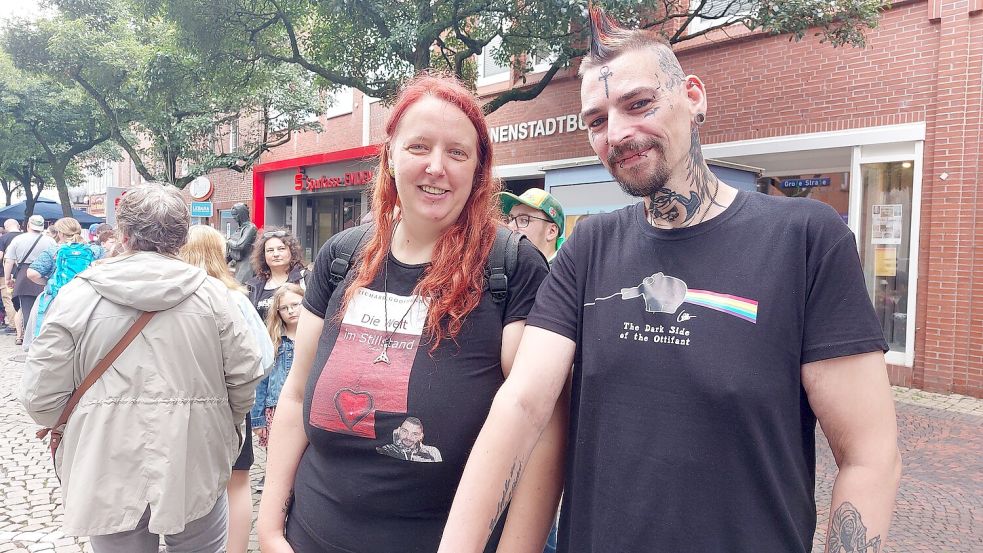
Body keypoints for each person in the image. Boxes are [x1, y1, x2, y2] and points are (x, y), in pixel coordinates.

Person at [438, 8, 902, 553]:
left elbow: (870, 454)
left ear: (694, 96)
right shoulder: (589, 248)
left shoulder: (803, 239)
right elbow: (521, 405)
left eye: (639, 104)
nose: (617, 133)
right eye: (595, 120)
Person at [256, 73, 555, 553]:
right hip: (310, 534)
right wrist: (269, 530)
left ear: (479, 170)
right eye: (419, 147)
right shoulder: (342, 257)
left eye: (457, 153)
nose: (436, 166)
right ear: (391, 156)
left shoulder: (512, 266)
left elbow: (539, 428)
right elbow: (295, 396)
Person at [19, 184, 265, 553]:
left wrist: (68, 419)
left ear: (124, 233)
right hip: (196, 449)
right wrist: (223, 424)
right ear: (182, 236)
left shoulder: (77, 295)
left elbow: (40, 396)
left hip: (105, 452)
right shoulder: (215, 295)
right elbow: (245, 376)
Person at [180, 224, 275, 553]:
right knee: (236, 483)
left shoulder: (167, 296)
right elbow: (262, 356)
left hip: (175, 407)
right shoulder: (232, 296)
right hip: (229, 407)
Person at [24, 217, 103, 348]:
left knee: (55, 340)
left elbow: (32, 273)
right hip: (89, 299)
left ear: (60, 233)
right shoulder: (96, 250)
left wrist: (47, 281)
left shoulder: (54, 251)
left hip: (58, 299)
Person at [251, 283, 304, 450]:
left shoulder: (316, 337)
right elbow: (262, 381)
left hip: (306, 407)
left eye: (295, 305)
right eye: (284, 308)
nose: (290, 311)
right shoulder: (273, 340)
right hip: (277, 408)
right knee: (278, 454)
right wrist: (257, 418)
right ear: (278, 312)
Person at [3, 215, 56, 345]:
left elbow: (9, 261)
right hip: (45, 275)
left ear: (27, 225)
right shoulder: (50, 241)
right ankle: (45, 340)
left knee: (27, 310)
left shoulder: (18, 240)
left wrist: (7, 278)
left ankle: (31, 342)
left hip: (24, 276)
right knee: (47, 309)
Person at [246, 228, 307, 322]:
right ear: (263, 255)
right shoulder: (252, 286)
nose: (276, 254)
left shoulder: (306, 280)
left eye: (281, 249)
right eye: (270, 250)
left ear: (291, 251)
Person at [499, 188, 565, 263]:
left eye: (524, 220)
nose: (510, 226)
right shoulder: (506, 267)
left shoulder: (567, 271)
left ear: (551, 231)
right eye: (510, 219)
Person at [375, 417, 443, 462]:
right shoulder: (387, 450)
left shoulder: (432, 452)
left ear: (421, 436)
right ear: (398, 431)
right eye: (404, 431)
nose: (408, 437)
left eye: (415, 434)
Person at [0, 218, 23, 334]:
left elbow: (1, 256)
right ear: (18, 225)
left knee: (8, 298)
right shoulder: (26, 236)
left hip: (5, 273)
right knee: (22, 298)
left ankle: (13, 324)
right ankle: (23, 324)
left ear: (6, 227)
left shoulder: (3, 238)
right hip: (23, 272)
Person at [227, 203, 258, 283]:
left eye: (235, 215)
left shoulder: (250, 228)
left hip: (247, 264)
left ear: (242, 214)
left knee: (242, 287)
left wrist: (228, 241)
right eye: (233, 215)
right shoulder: (239, 229)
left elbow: (240, 245)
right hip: (239, 263)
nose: (234, 217)